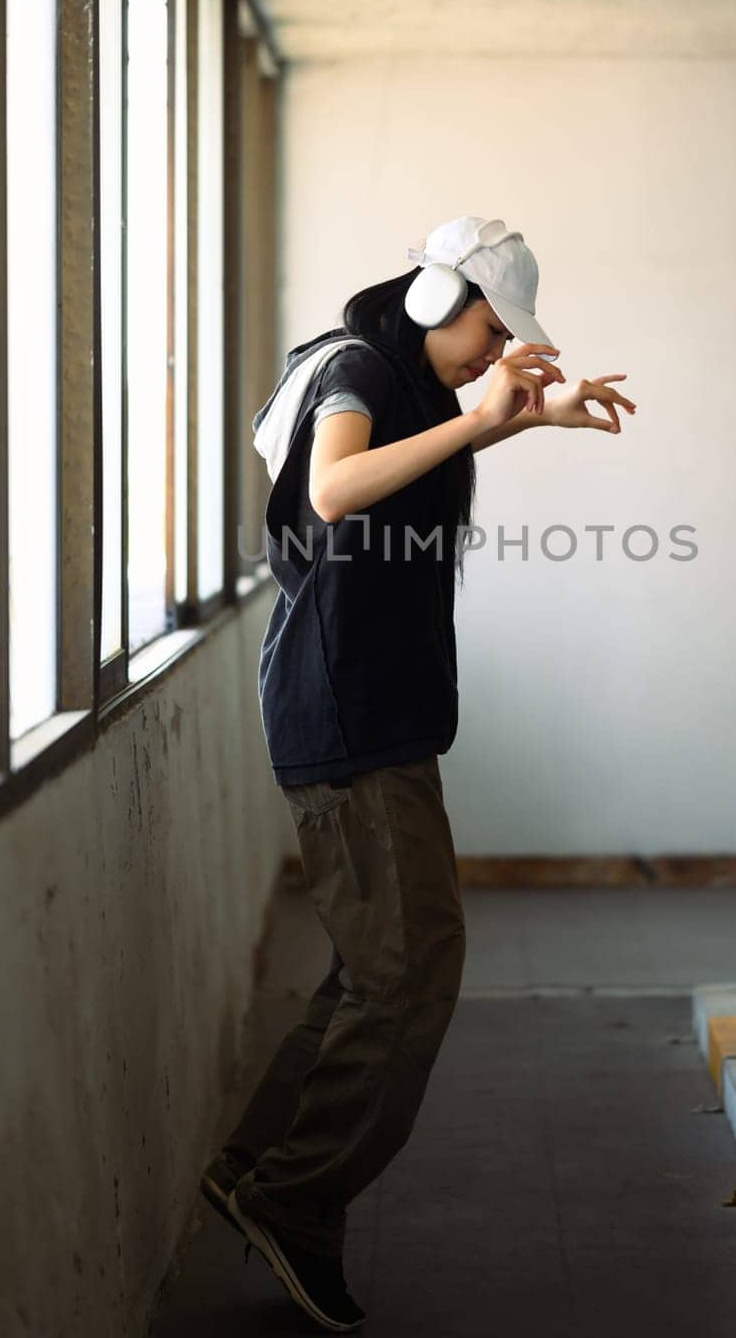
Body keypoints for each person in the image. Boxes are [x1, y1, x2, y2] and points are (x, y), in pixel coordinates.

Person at [199, 215, 636, 1330]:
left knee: (375, 966)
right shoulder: (352, 368)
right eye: (489, 332)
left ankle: (257, 1163)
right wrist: (483, 418)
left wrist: (513, 421)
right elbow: (339, 489)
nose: (494, 355)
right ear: (437, 296)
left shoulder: (387, 373)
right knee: (409, 975)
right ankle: (294, 1201)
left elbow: (387, 475)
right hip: (345, 714)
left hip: (370, 711)